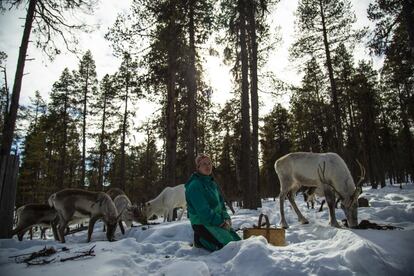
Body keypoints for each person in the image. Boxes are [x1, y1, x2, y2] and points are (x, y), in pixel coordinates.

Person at [185, 153, 241, 251]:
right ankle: (200, 240)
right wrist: (221, 223)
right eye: (204, 164)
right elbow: (203, 212)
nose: (208, 166)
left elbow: (221, 206)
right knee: (229, 247)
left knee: (238, 242)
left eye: (209, 163)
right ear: (198, 167)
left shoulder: (212, 184)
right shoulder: (195, 186)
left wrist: (226, 218)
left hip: (216, 221)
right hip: (202, 223)